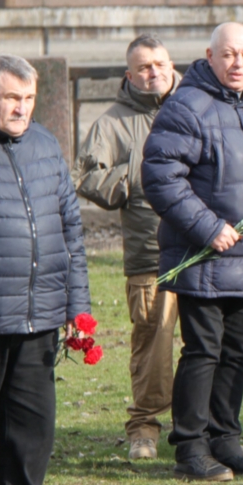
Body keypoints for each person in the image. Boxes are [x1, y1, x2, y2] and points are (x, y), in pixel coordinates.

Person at [143, 22, 243, 482]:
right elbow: (160, 177)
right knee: (203, 351)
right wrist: (209, 228)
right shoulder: (186, 108)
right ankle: (190, 448)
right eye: (229, 54)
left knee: (236, 353)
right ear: (209, 55)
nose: (238, 64)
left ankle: (225, 439)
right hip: (205, 258)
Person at [0, 54, 91, 485]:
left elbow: (70, 228)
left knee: (31, 435)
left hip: (39, 318)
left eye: (30, 98)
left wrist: (78, 305)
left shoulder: (45, 144)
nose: (22, 108)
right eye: (12, 97)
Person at [73, 35, 180, 461]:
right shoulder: (111, 123)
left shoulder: (196, 105)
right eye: (143, 67)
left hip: (204, 252)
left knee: (207, 348)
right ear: (129, 75)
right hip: (149, 256)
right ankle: (144, 430)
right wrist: (137, 175)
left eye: (159, 64)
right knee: (152, 347)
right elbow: (86, 178)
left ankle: (202, 427)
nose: (153, 73)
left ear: (172, 65)